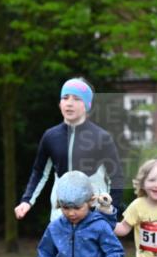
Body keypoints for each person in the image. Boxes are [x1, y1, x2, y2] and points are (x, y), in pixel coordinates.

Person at [14, 78, 124, 223]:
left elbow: (116, 177)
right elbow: (39, 172)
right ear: (60, 104)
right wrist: (26, 201)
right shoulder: (50, 136)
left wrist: (111, 211)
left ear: (87, 105)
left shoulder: (102, 137)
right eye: (65, 98)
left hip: (95, 217)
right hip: (60, 215)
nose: (69, 103)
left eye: (77, 99)